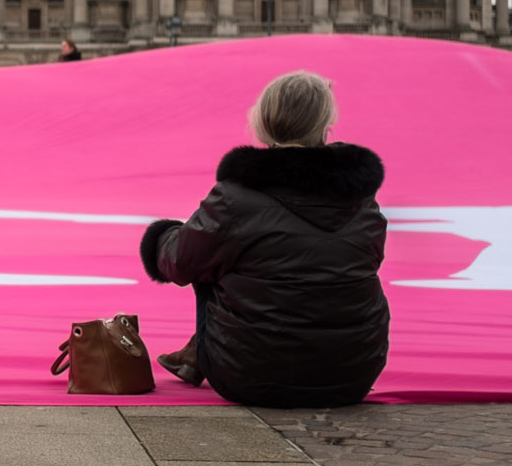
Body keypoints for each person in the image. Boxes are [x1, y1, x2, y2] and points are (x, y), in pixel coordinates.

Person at [138, 70, 388, 408]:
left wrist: (164, 234)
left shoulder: (237, 198)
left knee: (207, 258)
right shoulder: (363, 201)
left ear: (264, 121)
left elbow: (180, 263)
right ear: (326, 124)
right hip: (353, 376)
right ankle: (194, 354)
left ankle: (198, 353)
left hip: (252, 377)